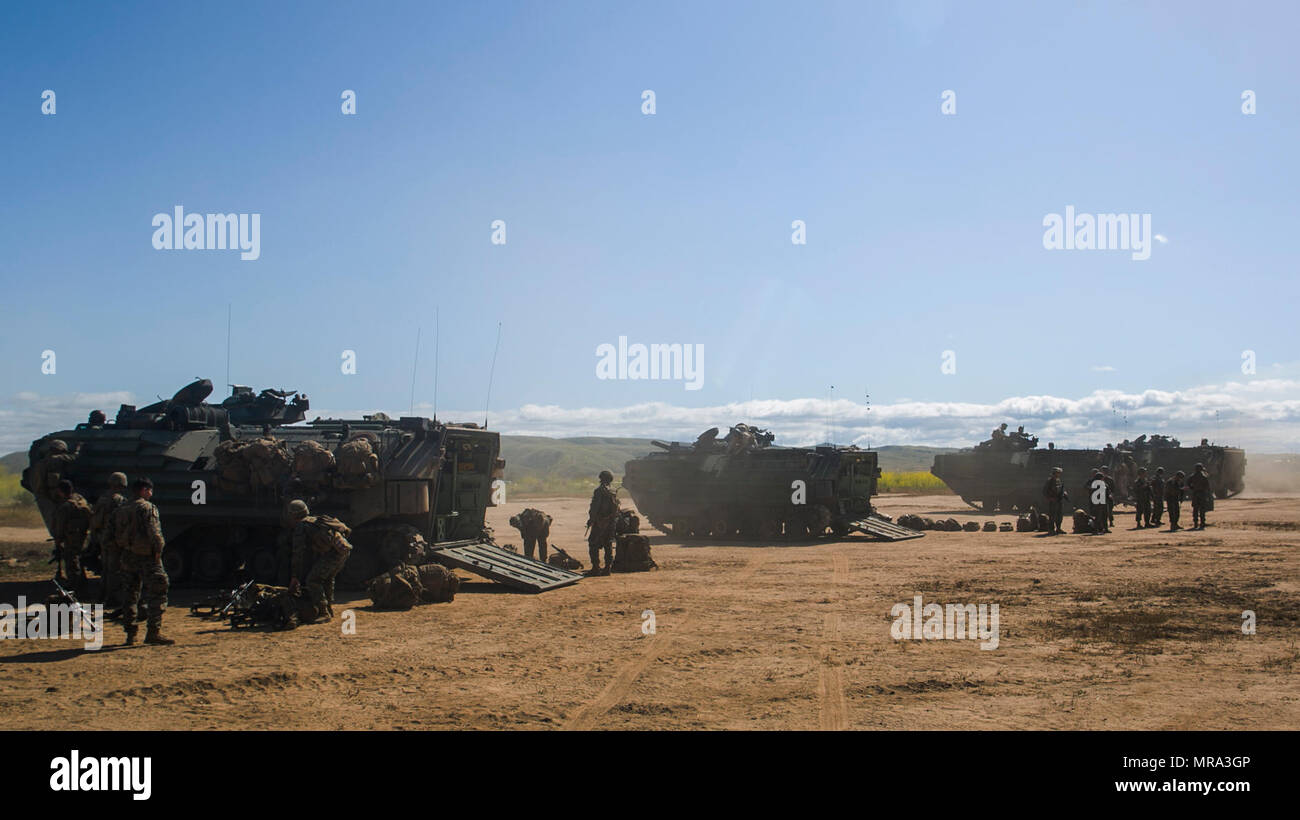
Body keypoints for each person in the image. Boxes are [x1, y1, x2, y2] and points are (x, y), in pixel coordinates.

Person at [115, 477, 174, 645]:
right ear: (143, 490)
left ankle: (131, 634)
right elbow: (155, 533)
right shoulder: (147, 508)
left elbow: (114, 532)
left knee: (130, 595)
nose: (151, 493)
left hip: (128, 555)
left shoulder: (122, 508)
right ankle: (153, 632)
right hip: (147, 556)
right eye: (149, 490)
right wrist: (158, 551)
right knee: (158, 591)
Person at [288, 500, 352, 621]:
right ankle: (328, 608)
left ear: (292, 515)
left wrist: (295, 576)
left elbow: (298, 554)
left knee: (312, 581)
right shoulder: (315, 520)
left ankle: (323, 612)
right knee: (327, 579)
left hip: (333, 554)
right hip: (343, 550)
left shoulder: (302, 526)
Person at [89, 472, 129, 610]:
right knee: (114, 570)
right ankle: (112, 598)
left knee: (106, 568)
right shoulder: (118, 500)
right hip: (114, 539)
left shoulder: (102, 498)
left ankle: (102, 596)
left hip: (103, 538)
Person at [51, 480, 92, 595]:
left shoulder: (65, 507)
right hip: (82, 537)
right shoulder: (80, 501)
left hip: (70, 538)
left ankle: (75, 587)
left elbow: (60, 526)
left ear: (60, 491)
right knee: (78, 560)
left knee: (71, 562)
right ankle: (82, 584)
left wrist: (58, 541)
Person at [586, 471, 619, 575]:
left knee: (593, 543)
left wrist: (591, 519)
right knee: (608, 544)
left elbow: (595, 507)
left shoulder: (599, 491)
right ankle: (607, 569)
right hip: (611, 522)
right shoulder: (613, 491)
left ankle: (595, 568)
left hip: (600, 522)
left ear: (601, 478)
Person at [1187, 463, 1213, 529]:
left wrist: (1192, 488)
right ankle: (1202, 523)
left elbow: (1188, 483)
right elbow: (1207, 487)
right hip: (1202, 494)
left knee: (1195, 509)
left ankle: (1195, 523)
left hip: (1195, 494)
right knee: (1202, 509)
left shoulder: (1192, 476)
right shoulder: (1204, 477)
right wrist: (1208, 495)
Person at [1042, 467, 1067, 534]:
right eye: (1058, 473)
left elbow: (1061, 489)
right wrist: (1050, 498)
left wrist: (1064, 493)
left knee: (1059, 516)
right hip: (1053, 501)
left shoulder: (1058, 480)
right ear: (1055, 473)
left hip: (1059, 500)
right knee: (1052, 516)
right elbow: (1044, 491)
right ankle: (1051, 530)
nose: (1059, 474)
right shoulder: (1050, 481)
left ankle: (1058, 529)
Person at [1087, 469, 1109, 534]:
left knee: (1101, 516)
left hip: (1099, 502)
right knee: (1099, 517)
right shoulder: (1101, 484)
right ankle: (1097, 530)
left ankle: (1102, 529)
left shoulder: (1094, 483)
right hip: (1100, 502)